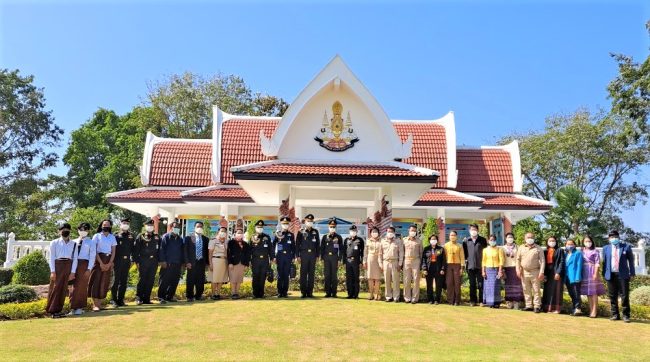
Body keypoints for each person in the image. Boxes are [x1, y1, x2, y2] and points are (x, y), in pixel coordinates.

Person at [602, 230, 635, 323]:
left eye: (615, 237)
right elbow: (604, 262)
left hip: (623, 274)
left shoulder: (626, 247)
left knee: (624, 295)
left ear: (619, 238)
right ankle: (615, 314)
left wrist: (632, 273)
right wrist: (604, 274)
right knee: (612, 296)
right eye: (612, 237)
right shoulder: (606, 248)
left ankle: (626, 315)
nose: (614, 238)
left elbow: (631, 261)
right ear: (609, 239)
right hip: (610, 274)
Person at [46, 223, 77, 318]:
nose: (65, 231)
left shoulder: (74, 244)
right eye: (63, 229)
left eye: (67, 229)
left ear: (70, 231)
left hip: (68, 265)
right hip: (57, 265)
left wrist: (73, 272)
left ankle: (59, 310)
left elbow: (75, 258)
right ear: (59, 231)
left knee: (64, 289)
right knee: (55, 288)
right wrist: (52, 271)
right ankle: (52, 310)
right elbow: (51, 257)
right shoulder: (54, 242)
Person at [89, 219, 117, 311]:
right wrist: (101, 263)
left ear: (110, 226)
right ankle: (95, 305)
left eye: (108, 225)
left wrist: (109, 263)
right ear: (101, 226)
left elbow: (113, 251)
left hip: (108, 259)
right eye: (104, 224)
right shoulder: (96, 236)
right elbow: (95, 250)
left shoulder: (112, 237)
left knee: (104, 282)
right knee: (96, 281)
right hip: (98, 260)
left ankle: (100, 305)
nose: (106, 226)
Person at [69, 222, 95, 315]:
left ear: (88, 231)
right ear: (78, 230)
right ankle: (72, 307)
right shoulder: (73, 241)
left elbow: (92, 256)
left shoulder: (91, 242)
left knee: (82, 286)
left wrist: (89, 269)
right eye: (81, 230)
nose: (83, 231)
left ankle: (80, 307)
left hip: (84, 264)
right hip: (73, 264)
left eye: (85, 230)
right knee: (73, 287)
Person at [515, 232, 545, 313]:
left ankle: (537, 306)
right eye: (528, 237)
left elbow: (542, 261)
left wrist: (541, 272)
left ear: (534, 238)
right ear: (525, 239)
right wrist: (517, 270)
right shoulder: (521, 248)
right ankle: (528, 306)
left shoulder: (538, 248)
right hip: (524, 272)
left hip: (535, 271)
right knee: (526, 289)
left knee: (536, 289)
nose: (530, 239)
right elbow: (517, 260)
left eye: (531, 237)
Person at [133, 218, 160, 305]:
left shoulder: (157, 237)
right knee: (142, 280)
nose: (150, 227)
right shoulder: (140, 236)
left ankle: (146, 299)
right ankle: (138, 298)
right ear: (145, 226)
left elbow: (159, 249)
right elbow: (136, 250)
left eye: (151, 225)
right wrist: (136, 262)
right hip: (143, 261)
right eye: (148, 225)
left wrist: (159, 261)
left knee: (150, 280)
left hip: (154, 262)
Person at [110, 217, 135, 307]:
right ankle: (113, 300)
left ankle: (121, 300)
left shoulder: (131, 236)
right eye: (124, 223)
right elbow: (112, 249)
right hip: (117, 261)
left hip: (126, 261)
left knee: (123, 282)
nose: (126, 225)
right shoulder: (115, 235)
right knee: (115, 281)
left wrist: (132, 259)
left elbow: (133, 249)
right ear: (120, 224)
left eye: (127, 223)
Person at [158, 220, 184, 303]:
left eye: (178, 227)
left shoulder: (180, 239)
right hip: (167, 263)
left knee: (174, 281)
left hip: (177, 263)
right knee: (164, 281)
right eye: (175, 227)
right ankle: (161, 297)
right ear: (171, 228)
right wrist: (162, 261)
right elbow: (161, 250)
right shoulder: (166, 237)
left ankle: (170, 296)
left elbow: (182, 251)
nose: (177, 229)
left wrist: (182, 263)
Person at [580, 235, 606, 318]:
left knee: (593, 292)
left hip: (592, 270)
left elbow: (597, 263)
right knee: (588, 293)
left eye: (589, 241)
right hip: (584, 271)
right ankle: (590, 310)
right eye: (586, 241)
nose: (588, 243)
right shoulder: (582, 251)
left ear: (592, 242)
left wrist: (595, 273)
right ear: (583, 242)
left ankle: (594, 311)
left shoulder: (595, 251)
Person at [184, 221, 209, 301]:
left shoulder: (205, 239)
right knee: (190, 279)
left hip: (201, 262)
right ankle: (189, 296)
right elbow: (185, 251)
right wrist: (187, 262)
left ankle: (198, 295)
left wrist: (207, 263)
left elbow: (206, 252)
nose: (199, 228)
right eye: (198, 226)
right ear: (194, 228)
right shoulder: (189, 237)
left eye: (201, 226)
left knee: (200, 280)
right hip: (191, 262)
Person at [463, 224, 487, 306]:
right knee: (472, 285)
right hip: (470, 266)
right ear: (469, 231)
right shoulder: (466, 241)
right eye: (472, 229)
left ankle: (481, 301)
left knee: (481, 284)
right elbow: (465, 254)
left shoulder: (483, 240)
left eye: (475, 229)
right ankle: (473, 301)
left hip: (481, 266)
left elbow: (485, 253)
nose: (473, 231)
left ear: (478, 230)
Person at [297, 214, 320, 298]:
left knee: (311, 274)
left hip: (313, 255)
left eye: (311, 221)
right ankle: (303, 292)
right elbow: (297, 244)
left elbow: (318, 244)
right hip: (304, 254)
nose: (310, 222)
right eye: (308, 221)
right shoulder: (301, 231)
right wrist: (297, 256)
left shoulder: (315, 231)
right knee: (303, 273)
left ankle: (310, 292)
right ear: (305, 221)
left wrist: (318, 255)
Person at [249, 221, 274, 299]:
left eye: (261, 227)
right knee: (255, 277)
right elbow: (249, 250)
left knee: (263, 277)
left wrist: (272, 258)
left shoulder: (267, 237)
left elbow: (271, 249)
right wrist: (249, 260)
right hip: (255, 260)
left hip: (265, 260)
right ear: (255, 228)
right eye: (258, 227)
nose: (260, 229)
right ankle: (255, 294)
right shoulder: (252, 237)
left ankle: (261, 294)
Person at [379, 226, 403, 302]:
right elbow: (380, 254)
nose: (390, 233)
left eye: (391, 232)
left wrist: (400, 264)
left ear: (394, 233)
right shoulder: (382, 241)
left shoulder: (398, 241)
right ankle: (388, 297)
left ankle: (396, 297)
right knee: (387, 281)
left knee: (396, 281)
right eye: (388, 231)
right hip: (386, 262)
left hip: (395, 262)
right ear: (386, 232)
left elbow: (401, 253)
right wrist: (380, 264)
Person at [541, 236, 565, 313]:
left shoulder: (559, 250)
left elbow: (561, 262)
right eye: (550, 241)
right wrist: (543, 274)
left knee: (557, 290)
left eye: (553, 240)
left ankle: (556, 308)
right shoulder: (545, 251)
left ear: (556, 241)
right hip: (548, 273)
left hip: (556, 272)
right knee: (547, 291)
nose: (552, 242)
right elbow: (543, 263)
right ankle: (547, 308)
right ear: (547, 242)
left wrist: (558, 272)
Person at [273, 217, 295, 298]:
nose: (285, 225)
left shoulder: (291, 235)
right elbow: (273, 245)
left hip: (288, 257)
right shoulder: (278, 234)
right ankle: (279, 292)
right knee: (280, 275)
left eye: (286, 224)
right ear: (281, 224)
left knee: (286, 275)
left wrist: (293, 257)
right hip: (280, 256)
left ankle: (285, 292)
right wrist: (273, 257)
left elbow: (293, 246)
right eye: (283, 224)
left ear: (288, 225)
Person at [321, 218, 343, 298]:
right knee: (327, 275)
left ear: (335, 227)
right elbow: (322, 248)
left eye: (333, 226)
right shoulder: (324, 237)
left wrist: (339, 259)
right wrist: (322, 259)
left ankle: (334, 293)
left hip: (334, 258)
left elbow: (341, 249)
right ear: (328, 227)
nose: (332, 228)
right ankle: (327, 292)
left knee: (334, 276)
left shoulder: (339, 237)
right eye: (331, 226)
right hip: (326, 257)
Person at [421, 234, 446, 304]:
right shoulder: (426, 249)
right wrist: (424, 269)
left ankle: (437, 300)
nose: (433, 240)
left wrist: (443, 269)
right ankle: (430, 299)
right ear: (429, 240)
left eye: (435, 239)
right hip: (429, 269)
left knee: (438, 285)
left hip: (438, 269)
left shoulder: (441, 249)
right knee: (429, 285)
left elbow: (444, 260)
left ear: (437, 240)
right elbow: (423, 260)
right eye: (432, 239)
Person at [502, 233, 524, 309]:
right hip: (507, 268)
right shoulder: (503, 248)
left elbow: (521, 258)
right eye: (508, 237)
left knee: (517, 286)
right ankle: (509, 302)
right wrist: (502, 270)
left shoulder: (518, 247)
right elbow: (502, 259)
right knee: (508, 286)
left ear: (513, 238)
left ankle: (516, 302)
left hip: (516, 268)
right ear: (505, 238)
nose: (510, 238)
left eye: (511, 237)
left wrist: (520, 268)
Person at [227, 226, 251, 299]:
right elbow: (228, 253)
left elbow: (248, 255)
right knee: (233, 279)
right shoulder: (231, 242)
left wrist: (247, 264)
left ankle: (237, 293)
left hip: (242, 263)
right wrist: (230, 263)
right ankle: (233, 293)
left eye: (241, 233)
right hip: (233, 263)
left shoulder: (246, 244)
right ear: (235, 234)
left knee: (239, 279)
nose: (240, 234)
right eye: (238, 233)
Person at [482, 235, 504, 308]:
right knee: (488, 287)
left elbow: (501, 260)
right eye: (491, 240)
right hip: (488, 270)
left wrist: (500, 271)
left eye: (493, 240)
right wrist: (483, 271)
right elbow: (483, 261)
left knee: (496, 286)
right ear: (488, 241)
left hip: (496, 270)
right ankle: (489, 302)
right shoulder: (485, 250)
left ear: (496, 240)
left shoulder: (499, 249)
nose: (492, 241)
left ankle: (496, 303)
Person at [342, 224, 364, 299]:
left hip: (356, 261)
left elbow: (362, 252)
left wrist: (361, 262)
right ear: (349, 231)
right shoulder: (346, 240)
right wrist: (344, 262)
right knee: (349, 278)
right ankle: (350, 294)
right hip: (348, 261)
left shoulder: (360, 240)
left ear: (356, 231)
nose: (353, 232)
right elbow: (343, 252)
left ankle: (356, 294)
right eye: (352, 231)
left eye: (354, 231)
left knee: (355, 278)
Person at [402, 224, 422, 304]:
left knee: (416, 280)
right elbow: (402, 252)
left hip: (416, 261)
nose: (413, 232)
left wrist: (420, 264)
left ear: (416, 231)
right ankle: (407, 298)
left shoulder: (419, 241)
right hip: (406, 261)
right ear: (408, 231)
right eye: (411, 230)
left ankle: (415, 298)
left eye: (414, 230)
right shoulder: (404, 240)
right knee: (406, 280)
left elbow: (421, 253)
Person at [443, 230, 464, 306]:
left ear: (456, 236)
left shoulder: (460, 245)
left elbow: (462, 257)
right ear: (449, 236)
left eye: (454, 235)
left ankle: (457, 300)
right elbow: (444, 257)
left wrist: (462, 268)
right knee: (449, 283)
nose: (452, 237)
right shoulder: (446, 245)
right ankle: (450, 300)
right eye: (451, 235)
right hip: (448, 266)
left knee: (457, 283)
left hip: (457, 266)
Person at [208, 226, 229, 300]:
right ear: (218, 232)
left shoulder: (226, 242)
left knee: (221, 278)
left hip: (224, 261)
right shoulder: (213, 241)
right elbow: (210, 253)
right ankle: (213, 294)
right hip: (215, 260)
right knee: (214, 279)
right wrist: (210, 263)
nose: (223, 233)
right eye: (222, 231)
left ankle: (218, 293)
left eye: (224, 231)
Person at [564, 239, 583, 316]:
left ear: (575, 245)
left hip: (575, 277)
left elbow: (579, 266)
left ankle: (578, 308)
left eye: (571, 244)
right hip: (567, 277)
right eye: (568, 244)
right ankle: (574, 308)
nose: (570, 246)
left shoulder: (578, 253)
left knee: (576, 293)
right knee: (571, 293)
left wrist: (578, 276)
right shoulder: (566, 254)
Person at [363, 226, 383, 301]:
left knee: (377, 278)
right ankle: (370, 294)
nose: (374, 233)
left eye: (376, 232)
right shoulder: (368, 241)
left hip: (378, 260)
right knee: (370, 278)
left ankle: (376, 294)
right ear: (370, 233)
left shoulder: (382, 241)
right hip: (370, 259)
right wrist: (364, 261)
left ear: (378, 233)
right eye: (373, 232)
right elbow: (365, 252)